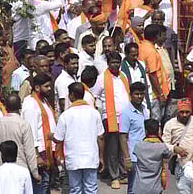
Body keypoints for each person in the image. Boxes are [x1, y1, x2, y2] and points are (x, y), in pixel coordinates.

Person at [53, 82, 104, 194]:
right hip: (91, 158)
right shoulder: (94, 113)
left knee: (75, 190)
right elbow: (100, 137)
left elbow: (58, 138)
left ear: (71, 95)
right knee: (91, 189)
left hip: (73, 159)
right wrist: (101, 157)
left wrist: (50, 136)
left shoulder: (66, 115)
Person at [92, 51, 131, 189]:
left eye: (117, 62)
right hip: (110, 118)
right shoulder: (102, 78)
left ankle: (122, 174)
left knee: (123, 147)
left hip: (125, 118)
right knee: (113, 149)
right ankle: (114, 176)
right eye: (113, 62)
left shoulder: (123, 76)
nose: (115, 65)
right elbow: (94, 95)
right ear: (108, 64)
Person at [21, 74, 56, 194]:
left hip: (47, 149)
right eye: (46, 86)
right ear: (37, 87)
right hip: (39, 151)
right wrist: (36, 156)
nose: (50, 89)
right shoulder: (31, 104)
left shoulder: (44, 101)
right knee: (41, 185)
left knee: (46, 185)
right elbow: (31, 132)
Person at [0, 93, 40, 178]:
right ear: (20, 106)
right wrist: (35, 173)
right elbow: (29, 152)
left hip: (3, 171)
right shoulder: (23, 125)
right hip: (21, 171)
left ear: (6, 107)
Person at [120, 82, 150, 192]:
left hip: (146, 155)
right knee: (133, 187)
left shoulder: (145, 110)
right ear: (131, 95)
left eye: (141, 94)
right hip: (133, 157)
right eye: (136, 94)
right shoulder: (126, 113)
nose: (139, 97)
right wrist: (127, 158)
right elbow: (123, 137)